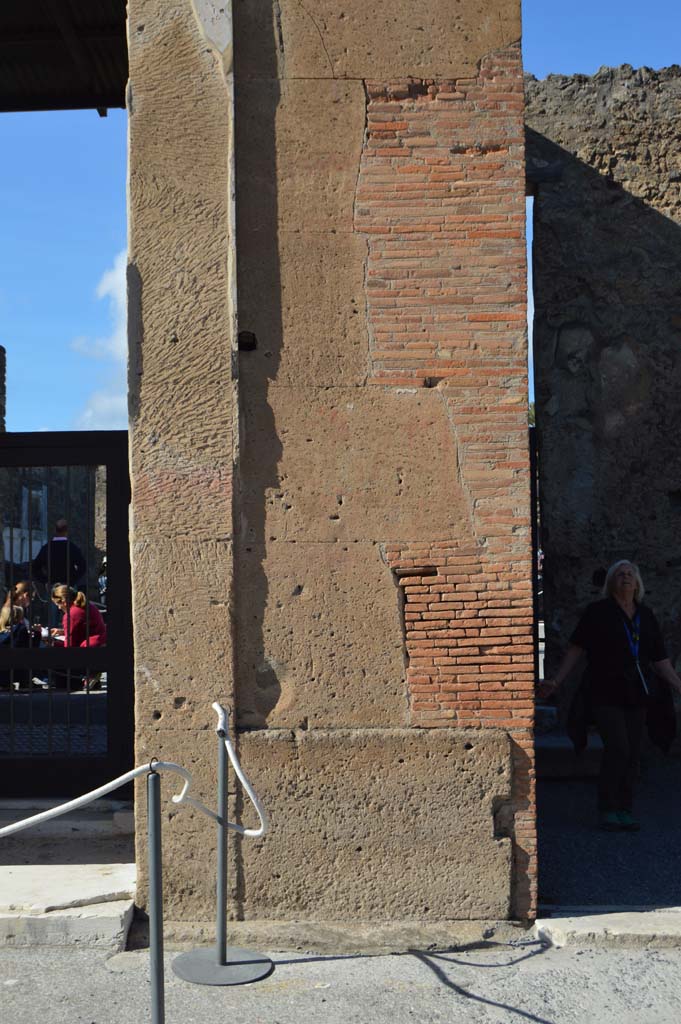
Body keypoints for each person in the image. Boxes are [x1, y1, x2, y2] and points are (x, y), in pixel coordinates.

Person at [541, 560, 681, 832]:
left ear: (638, 583)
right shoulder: (598, 612)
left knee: (633, 752)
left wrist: (678, 686)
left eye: (630, 574)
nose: (626, 578)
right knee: (619, 748)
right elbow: (576, 649)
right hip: (605, 690)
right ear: (611, 583)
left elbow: (660, 659)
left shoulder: (646, 615)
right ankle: (607, 808)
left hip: (637, 693)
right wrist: (557, 681)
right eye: (620, 574)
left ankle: (624, 809)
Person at [32, 519, 86, 589]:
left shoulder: (46, 548)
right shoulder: (72, 548)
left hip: (52, 586)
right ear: (67, 531)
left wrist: (45, 581)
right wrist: (72, 580)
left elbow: (35, 568)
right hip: (68, 587)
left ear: (55, 530)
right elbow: (82, 567)